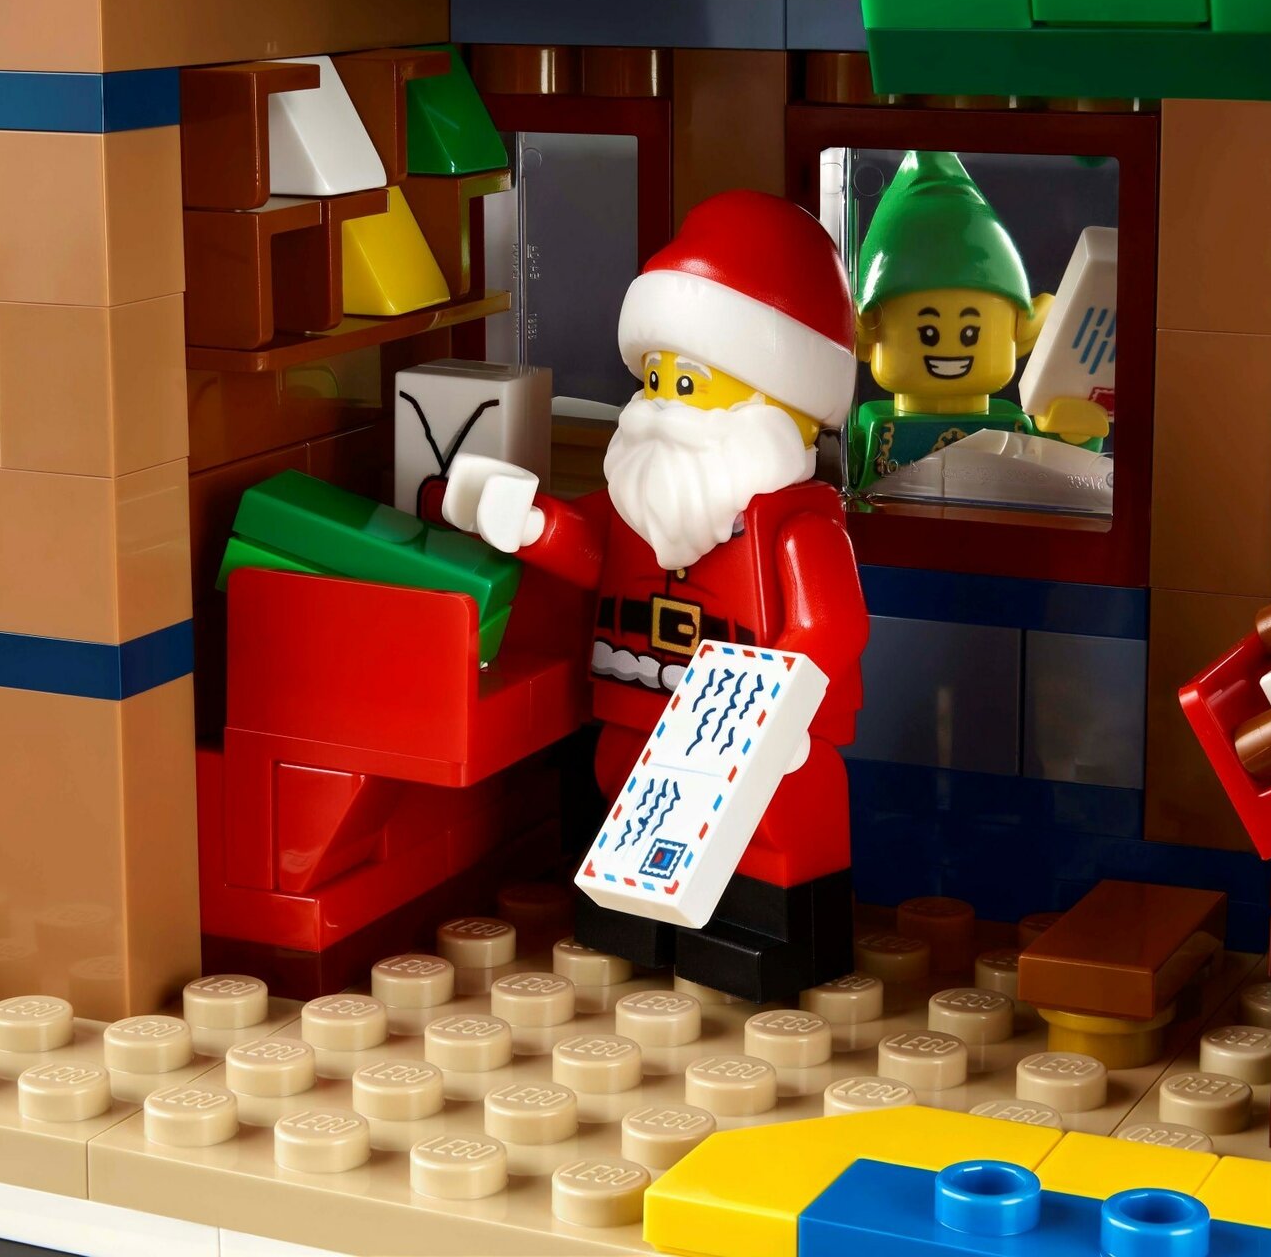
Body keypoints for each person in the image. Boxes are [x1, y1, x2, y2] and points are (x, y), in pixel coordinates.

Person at [443, 189, 868, 999]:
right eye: (656, 379)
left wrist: (775, 712)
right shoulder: (645, 501)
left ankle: (761, 932)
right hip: (642, 706)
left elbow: (830, 623)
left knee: (773, 819)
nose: (661, 407)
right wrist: (526, 522)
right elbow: (591, 547)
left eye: (690, 384)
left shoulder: (796, 525)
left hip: (750, 730)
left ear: (778, 402)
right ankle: (637, 925)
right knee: (625, 786)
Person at [846, 151, 1109, 490]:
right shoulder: (873, 429)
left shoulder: (1012, 428)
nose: (949, 349)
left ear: (1019, 329)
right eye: (928, 332)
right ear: (870, 333)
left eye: (971, 332)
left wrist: (1075, 433)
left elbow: (1064, 470)